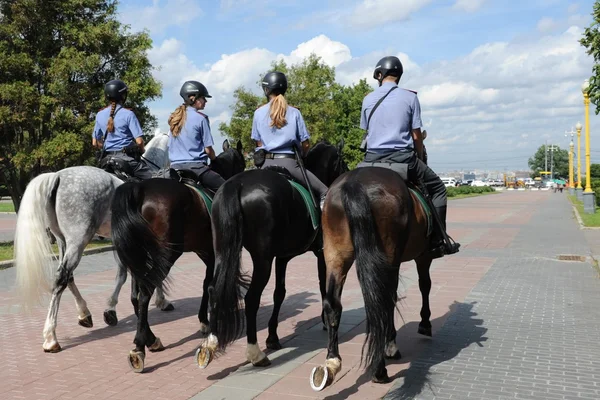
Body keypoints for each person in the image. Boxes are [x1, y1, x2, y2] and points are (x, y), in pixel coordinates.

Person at [360, 56, 460, 257]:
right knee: (438, 188)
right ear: (398, 76)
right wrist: (420, 155)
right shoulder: (410, 97)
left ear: (379, 75)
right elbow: (416, 135)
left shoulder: (368, 98)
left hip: (369, 160)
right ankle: (438, 241)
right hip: (401, 159)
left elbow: (367, 130)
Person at [251, 71, 329, 210]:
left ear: (266, 90)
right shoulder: (294, 112)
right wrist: (303, 155)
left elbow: (258, 143)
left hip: (264, 164)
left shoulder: (258, 113)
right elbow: (305, 144)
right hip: (290, 164)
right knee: (325, 192)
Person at [167, 80, 225, 193]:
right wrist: (215, 160)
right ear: (193, 98)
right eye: (203, 98)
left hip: (174, 169)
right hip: (196, 169)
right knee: (228, 190)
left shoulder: (175, 119)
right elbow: (208, 150)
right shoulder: (201, 118)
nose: (206, 101)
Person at [92, 79, 152, 180]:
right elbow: (139, 141)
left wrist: (109, 147)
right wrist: (141, 150)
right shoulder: (129, 114)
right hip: (126, 160)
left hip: (106, 160)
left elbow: (95, 143)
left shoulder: (99, 114)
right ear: (123, 96)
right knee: (155, 180)